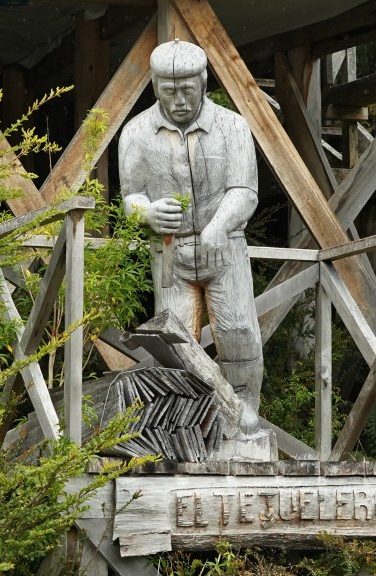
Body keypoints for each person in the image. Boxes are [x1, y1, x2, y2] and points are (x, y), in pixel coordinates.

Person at [118, 40, 264, 417]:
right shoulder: (135, 133)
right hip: (170, 252)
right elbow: (130, 196)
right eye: (169, 91)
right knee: (175, 340)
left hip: (225, 247)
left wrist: (219, 224)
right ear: (155, 87)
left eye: (187, 90)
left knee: (238, 332)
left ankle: (244, 414)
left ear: (203, 82)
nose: (180, 100)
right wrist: (148, 213)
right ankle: (185, 419)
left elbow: (245, 191)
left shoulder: (233, 127)